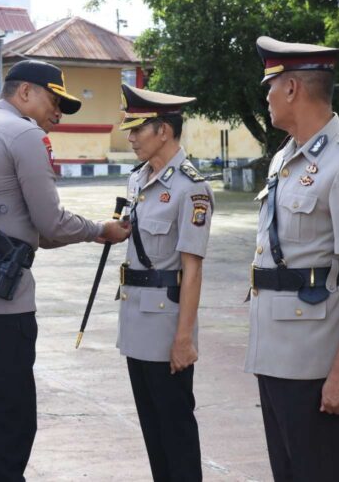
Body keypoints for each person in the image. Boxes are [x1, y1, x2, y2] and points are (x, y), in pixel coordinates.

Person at [0, 60, 130, 482]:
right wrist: (102, 230)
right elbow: (50, 222)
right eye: (54, 100)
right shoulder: (25, 134)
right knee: (8, 419)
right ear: (24, 92)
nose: (57, 113)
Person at [244, 36, 339, 481]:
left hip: (317, 360)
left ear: (292, 89)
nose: (265, 96)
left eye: (270, 85)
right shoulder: (285, 159)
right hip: (274, 352)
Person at [115, 83, 213, 481]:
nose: (131, 137)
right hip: (136, 319)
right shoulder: (139, 180)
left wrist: (184, 338)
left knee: (175, 428)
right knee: (153, 429)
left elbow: (192, 268)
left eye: (139, 128)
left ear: (164, 131)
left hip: (166, 322)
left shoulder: (191, 188)